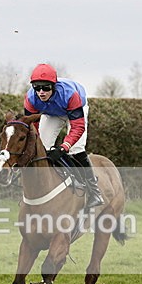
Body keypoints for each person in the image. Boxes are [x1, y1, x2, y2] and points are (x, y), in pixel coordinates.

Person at [23, 63, 104, 208]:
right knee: (42, 148)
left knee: (75, 149)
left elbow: (78, 127)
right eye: (37, 88)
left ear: (53, 86)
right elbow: (32, 127)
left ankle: (94, 192)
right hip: (52, 113)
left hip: (75, 109)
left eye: (46, 88)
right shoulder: (30, 99)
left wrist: (63, 148)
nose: (41, 92)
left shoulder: (70, 94)